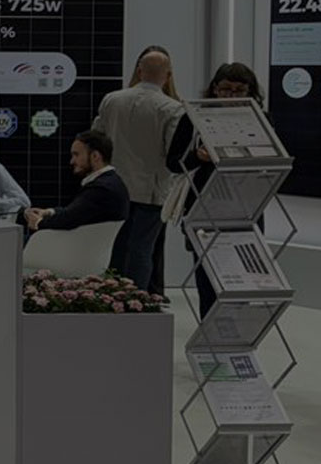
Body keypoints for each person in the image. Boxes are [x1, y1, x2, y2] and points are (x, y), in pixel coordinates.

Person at [168, 62, 265, 319]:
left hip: (246, 209)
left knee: (243, 280)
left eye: (239, 90)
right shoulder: (193, 117)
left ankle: (237, 331)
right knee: (207, 280)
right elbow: (173, 162)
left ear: (251, 91)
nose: (231, 96)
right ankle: (211, 331)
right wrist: (198, 156)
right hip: (204, 207)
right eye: (225, 89)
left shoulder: (261, 118)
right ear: (214, 89)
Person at [93, 49, 185, 291]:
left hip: (114, 188)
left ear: (139, 71)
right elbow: (173, 152)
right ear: (168, 75)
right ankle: (137, 300)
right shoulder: (173, 109)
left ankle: (112, 296)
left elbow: (97, 138)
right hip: (151, 191)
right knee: (142, 249)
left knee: (116, 246)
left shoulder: (112, 99)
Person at [21, 130, 130, 233]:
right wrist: (48, 212)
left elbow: (67, 219)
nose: (72, 161)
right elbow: (74, 212)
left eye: (76, 155)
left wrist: (38, 222)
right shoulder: (111, 182)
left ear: (95, 156)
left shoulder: (101, 189)